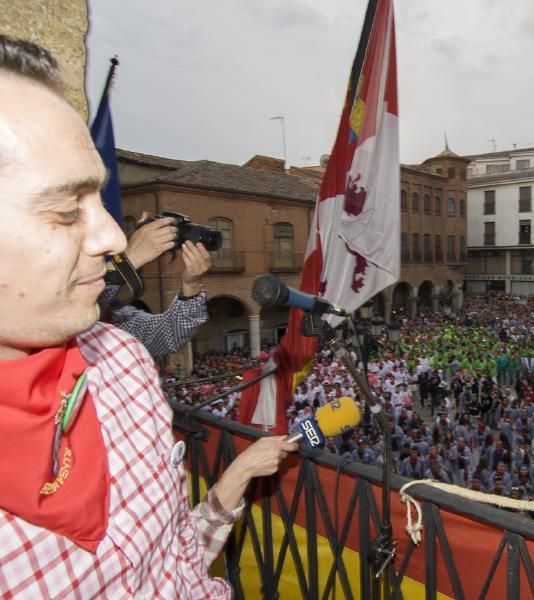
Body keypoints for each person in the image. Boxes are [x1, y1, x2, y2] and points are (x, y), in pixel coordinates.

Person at [0, 35, 297, 597]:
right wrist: (132, 264)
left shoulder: (122, 364)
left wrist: (233, 477)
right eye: (68, 210)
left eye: (100, 202)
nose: (112, 235)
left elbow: (170, 566)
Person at [100, 211, 213, 357]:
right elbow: (77, 312)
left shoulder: (118, 318)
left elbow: (170, 334)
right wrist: (127, 259)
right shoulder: (76, 316)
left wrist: (191, 285)